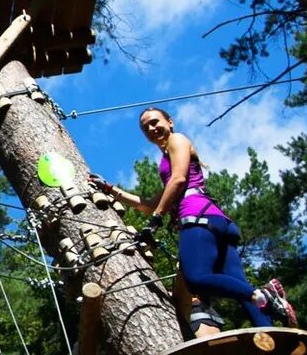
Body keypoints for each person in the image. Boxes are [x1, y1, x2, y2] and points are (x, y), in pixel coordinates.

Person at [90, 106, 296, 329]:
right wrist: (111, 189)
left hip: (197, 215)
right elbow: (148, 204)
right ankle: (272, 331)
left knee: (196, 279)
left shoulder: (176, 140)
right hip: (217, 221)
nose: (151, 128)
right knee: (239, 287)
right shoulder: (169, 159)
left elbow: (178, 180)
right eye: (145, 127)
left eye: (154, 122)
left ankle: (264, 294)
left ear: (170, 122)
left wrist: (157, 220)